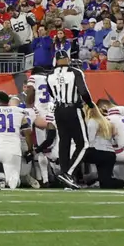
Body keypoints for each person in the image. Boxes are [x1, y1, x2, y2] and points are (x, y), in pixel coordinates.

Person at [47, 54, 93, 183]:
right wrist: (90, 104)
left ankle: (64, 172)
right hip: (73, 109)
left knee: (64, 142)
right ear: (67, 59)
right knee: (84, 144)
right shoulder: (75, 72)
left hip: (58, 110)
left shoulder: (50, 74)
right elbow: (83, 91)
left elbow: (51, 92)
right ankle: (68, 173)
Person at [0, 92, 31, 190]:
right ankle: (9, 179)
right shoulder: (19, 111)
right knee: (14, 182)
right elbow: (27, 133)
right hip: (13, 150)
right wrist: (30, 149)